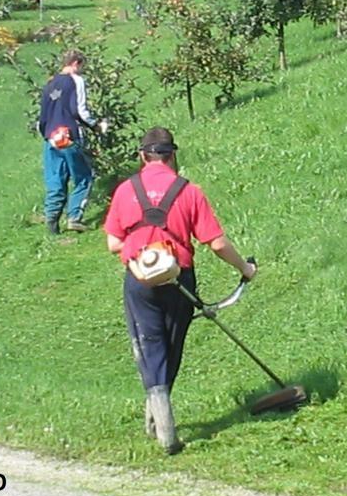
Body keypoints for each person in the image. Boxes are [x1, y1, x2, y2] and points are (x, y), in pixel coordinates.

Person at [104, 127, 257, 455]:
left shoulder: (124, 191)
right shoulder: (189, 191)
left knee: (149, 344)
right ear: (173, 155)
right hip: (179, 279)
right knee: (171, 346)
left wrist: (138, 259)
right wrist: (244, 269)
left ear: (142, 156)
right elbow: (216, 242)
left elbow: (113, 242)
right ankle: (162, 422)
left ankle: (162, 425)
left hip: (139, 281)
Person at [38, 50, 105, 234]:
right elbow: (79, 111)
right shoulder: (76, 80)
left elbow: (42, 118)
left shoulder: (49, 84)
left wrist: (47, 136)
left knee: (55, 181)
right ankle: (74, 216)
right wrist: (96, 125)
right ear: (76, 63)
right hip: (69, 136)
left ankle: (52, 222)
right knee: (84, 177)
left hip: (50, 138)